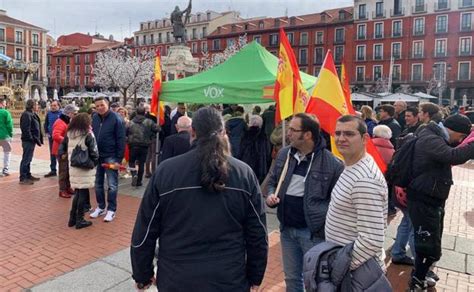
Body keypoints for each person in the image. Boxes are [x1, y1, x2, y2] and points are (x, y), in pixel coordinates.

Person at [130, 107, 268, 291]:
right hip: (228, 278)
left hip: (178, 278)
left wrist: (142, 274)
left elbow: (144, 231)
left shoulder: (166, 171)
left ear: (192, 132)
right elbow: (258, 233)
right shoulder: (244, 173)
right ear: (223, 133)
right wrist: (255, 276)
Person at [265, 113, 343, 291]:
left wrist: (321, 217)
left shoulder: (332, 164)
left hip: (312, 233)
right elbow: (273, 182)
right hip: (286, 229)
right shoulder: (285, 154)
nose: (288, 133)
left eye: (293, 130)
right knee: (292, 279)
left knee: (314, 281)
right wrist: (271, 195)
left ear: (307, 135)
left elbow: (337, 201)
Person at [407, 114, 474, 290]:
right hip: (424, 198)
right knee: (427, 243)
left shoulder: (433, 135)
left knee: (430, 241)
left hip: (430, 197)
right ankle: (416, 280)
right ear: (453, 130)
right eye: (460, 137)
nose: (459, 141)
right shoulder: (430, 138)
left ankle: (421, 274)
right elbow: (452, 155)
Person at [325, 115, 388, 271]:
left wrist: (339, 269)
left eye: (349, 134)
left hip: (355, 273)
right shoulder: (353, 165)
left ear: (365, 138)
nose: (341, 138)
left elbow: (371, 240)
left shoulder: (365, 180)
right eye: (338, 133)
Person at [90, 97, 126, 222]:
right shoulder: (94, 118)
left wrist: (119, 159)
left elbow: (121, 139)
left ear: (108, 105)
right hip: (98, 156)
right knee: (98, 183)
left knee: (112, 184)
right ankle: (100, 207)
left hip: (111, 156)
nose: (100, 107)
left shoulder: (116, 118)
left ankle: (111, 210)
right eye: (97, 106)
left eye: (102, 105)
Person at [66, 113, 99, 229]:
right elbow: (94, 152)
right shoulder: (88, 134)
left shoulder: (70, 134)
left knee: (78, 193)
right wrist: (95, 163)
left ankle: (72, 218)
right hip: (85, 166)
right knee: (83, 193)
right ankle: (80, 219)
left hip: (74, 165)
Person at [126, 106, 159, 187]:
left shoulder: (130, 122)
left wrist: (128, 139)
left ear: (136, 112)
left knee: (131, 162)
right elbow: (158, 129)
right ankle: (139, 181)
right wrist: (151, 135)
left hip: (133, 145)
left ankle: (134, 174)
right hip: (144, 145)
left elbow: (125, 132)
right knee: (141, 163)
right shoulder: (149, 121)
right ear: (145, 113)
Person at [52, 104, 78, 198]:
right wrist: (67, 141)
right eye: (74, 113)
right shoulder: (60, 122)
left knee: (67, 170)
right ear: (69, 113)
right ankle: (62, 190)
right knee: (63, 171)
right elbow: (56, 135)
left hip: (66, 149)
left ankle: (67, 187)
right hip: (61, 150)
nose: (75, 115)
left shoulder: (67, 121)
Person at [238, 115, 269, 183]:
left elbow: (241, 151)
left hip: (246, 164)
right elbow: (267, 153)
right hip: (260, 166)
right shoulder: (263, 136)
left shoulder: (246, 135)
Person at [19, 99, 43, 185]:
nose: (38, 106)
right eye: (36, 104)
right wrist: (31, 138)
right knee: (26, 159)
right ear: (32, 105)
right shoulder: (26, 114)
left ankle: (28, 175)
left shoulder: (32, 114)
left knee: (29, 158)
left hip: (31, 140)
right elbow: (26, 129)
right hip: (28, 141)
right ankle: (23, 177)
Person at [44, 100, 62, 177]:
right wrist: (47, 132)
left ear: (58, 106)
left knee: (61, 153)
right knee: (52, 153)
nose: (53, 107)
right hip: (51, 137)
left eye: (55, 106)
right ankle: (53, 170)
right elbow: (46, 123)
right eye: (52, 106)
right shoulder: (49, 114)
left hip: (60, 137)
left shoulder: (62, 114)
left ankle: (62, 170)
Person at [0, 98, 13, 177]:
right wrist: (11, 135)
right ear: (1, 104)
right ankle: (5, 169)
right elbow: (9, 125)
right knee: (7, 152)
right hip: (4, 135)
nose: (5, 105)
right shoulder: (5, 112)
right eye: (4, 103)